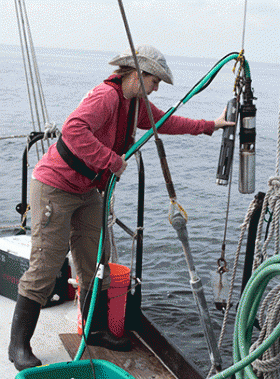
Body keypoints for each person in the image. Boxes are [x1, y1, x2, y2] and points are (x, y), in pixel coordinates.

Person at [8, 44, 235, 371]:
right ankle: (18, 345)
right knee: (46, 265)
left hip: (88, 191)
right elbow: (73, 130)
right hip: (55, 186)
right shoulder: (107, 97)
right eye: (155, 81)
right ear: (140, 75)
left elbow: (166, 122)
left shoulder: (135, 106)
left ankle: (95, 330)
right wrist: (110, 160)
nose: (156, 88)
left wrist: (210, 125)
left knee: (94, 263)